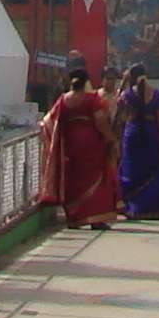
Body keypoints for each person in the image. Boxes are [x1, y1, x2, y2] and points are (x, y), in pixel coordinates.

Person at [36, 66, 118, 228]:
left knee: (73, 179)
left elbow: (48, 122)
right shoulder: (92, 99)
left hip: (70, 145)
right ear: (86, 81)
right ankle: (96, 218)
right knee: (95, 178)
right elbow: (101, 121)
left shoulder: (63, 100)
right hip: (91, 144)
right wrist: (111, 139)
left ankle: (74, 218)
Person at [115, 69, 159, 216]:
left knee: (132, 170)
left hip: (132, 134)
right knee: (153, 170)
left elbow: (118, 111)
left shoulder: (127, 95)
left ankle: (133, 206)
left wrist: (123, 83)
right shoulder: (157, 95)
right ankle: (155, 208)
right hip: (151, 134)